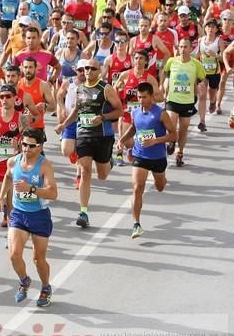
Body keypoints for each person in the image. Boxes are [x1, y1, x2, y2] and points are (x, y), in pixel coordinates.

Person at [55, 59, 123, 228]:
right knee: (85, 170)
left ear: (99, 71)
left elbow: (120, 110)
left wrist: (103, 117)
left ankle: (108, 161)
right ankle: (83, 211)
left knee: (102, 175)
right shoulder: (78, 89)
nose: (88, 71)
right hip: (84, 133)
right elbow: (77, 110)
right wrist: (64, 124)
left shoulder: (106, 89)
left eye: (93, 68)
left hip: (103, 135)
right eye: (86, 68)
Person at [0, 128, 58, 307]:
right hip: (19, 214)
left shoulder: (45, 165)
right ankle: (24, 281)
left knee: (38, 259)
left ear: (40, 147)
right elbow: (7, 177)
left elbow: (53, 193)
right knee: (14, 255)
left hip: (39, 216)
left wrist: (31, 189)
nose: (26, 149)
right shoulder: (13, 162)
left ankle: (45, 287)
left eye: (31, 146)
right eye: (24, 144)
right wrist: (1, 198)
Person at [119, 82, 177, 239]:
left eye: (144, 97)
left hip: (157, 157)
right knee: (138, 187)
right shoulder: (136, 112)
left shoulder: (161, 113)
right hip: (140, 155)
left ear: (152, 96)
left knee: (160, 187)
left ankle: (162, 178)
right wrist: (122, 139)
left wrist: (156, 141)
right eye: (139, 97)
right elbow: (134, 127)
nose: (141, 100)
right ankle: (136, 224)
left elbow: (173, 135)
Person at [0, 84, 28, 228]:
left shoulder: (22, 119)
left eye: (8, 96)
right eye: (2, 97)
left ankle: (12, 233)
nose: (4, 99)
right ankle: (5, 207)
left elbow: (29, 143)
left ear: (15, 98)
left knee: (12, 210)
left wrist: (19, 145)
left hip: (15, 165)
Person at [162, 38, 206, 167]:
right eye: (180, 47)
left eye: (185, 47)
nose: (182, 49)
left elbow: (203, 79)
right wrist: (163, 87)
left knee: (183, 129)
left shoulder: (196, 64)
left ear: (191, 48)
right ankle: (171, 141)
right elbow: (165, 73)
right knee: (171, 123)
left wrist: (200, 87)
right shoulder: (172, 61)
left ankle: (180, 152)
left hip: (188, 101)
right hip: (173, 100)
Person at [55, 60, 86, 189]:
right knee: (66, 150)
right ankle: (73, 153)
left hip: (84, 121)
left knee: (81, 149)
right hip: (69, 120)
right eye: (80, 70)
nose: (83, 73)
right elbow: (59, 95)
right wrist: (62, 108)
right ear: (75, 70)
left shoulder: (92, 84)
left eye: (86, 69)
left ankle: (79, 175)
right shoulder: (69, 83)